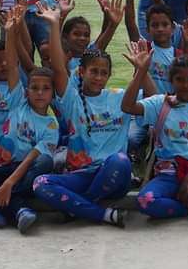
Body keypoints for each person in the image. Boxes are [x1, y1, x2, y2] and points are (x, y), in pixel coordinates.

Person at [0, 3, 61, 234]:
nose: (39, 93)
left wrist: (9, 183)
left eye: (45, 89)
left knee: (45, 162)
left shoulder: (48, 122)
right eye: (34, 88)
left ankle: (1, 207)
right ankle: (17, 208)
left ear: (52, 94)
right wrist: (6, 31)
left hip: (21, 168)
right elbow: (8, 63)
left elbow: (32, 159)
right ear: (26, 91)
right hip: (0, 162)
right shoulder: (14, 97)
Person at [31, 13, 132, 227]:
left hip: (113, 174)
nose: (98, 77)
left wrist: (142, 68)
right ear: (82, 71)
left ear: (109, 76)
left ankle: (77, 207)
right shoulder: (72, 101)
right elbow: (58, 67)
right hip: (81, 174)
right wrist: (54, 24)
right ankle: (102, 214)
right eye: (93, 71)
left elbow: (154, 98)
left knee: (121, 161)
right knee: (40, 183)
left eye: (103, 73)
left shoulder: (119, 97)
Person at [122, 52, 188, 220]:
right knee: (144, 201)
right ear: (171, 80)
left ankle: (178, 201)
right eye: (180, 79)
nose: (186, 85)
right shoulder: (161, 103)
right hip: (167, 175)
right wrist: (141, 71)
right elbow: (127, 106)